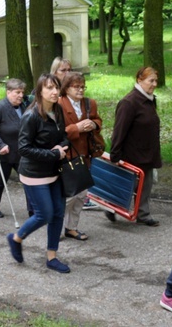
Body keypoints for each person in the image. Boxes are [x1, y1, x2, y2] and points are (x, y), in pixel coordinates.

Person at [7, 73, 70, 273]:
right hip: (34, 173)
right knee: (44, 214)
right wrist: (53, 153)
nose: (54, 92)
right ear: (40, 91)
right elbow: (23, 149)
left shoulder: (58, 110)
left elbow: (64, 136)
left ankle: (52, 257)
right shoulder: (31, 115)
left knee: (58, 213)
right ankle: (16, 238)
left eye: (56, 87)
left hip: (54, 170)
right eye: (49, 88)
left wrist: (62, 146)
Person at [108, 66, 161, 227]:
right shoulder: (129, 102)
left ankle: (143, 214)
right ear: (139, 80)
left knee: (147, 183)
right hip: (132, 152)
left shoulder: (149, 99)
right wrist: (115, 154)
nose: (154, 84)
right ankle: (112, 206)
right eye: (151, 80)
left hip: (148, 151)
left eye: (155, 81)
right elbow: (119, 129)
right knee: (127, 184)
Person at [58, 72, 102, 241]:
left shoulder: (90, 103)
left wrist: (94, 124)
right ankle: (55, 224)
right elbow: (55, 132)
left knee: (82, 194)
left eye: (83, 86)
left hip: (86, 155)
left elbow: (98, 120)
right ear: (66, 88)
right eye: (76, 86)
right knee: (70, 195)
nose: (80, 90)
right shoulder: (59, 105)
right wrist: (76, 128)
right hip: (67, 155)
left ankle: (72, 228)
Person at [0, 79, 29, 219]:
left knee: (28, 180)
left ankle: (33, 209)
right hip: (2, 153)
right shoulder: (0, 107)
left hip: (20, 152)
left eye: (22, 92)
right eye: (17, 92)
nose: (20, 95)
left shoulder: (24, 106)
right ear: (8, 92)